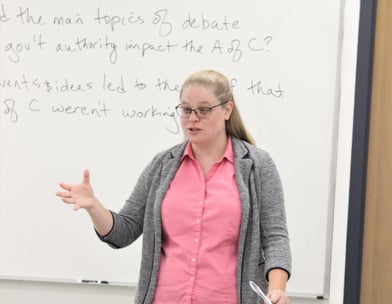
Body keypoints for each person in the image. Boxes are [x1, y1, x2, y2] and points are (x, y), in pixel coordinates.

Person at [56, 69, 291, 304]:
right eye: (186, 110)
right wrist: (93, 206)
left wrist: (277, 290)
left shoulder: (257, 165)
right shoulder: (163, 166)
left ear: (227, 110)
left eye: (204, 110)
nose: (192, 118)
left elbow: (275, 239)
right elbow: (123, 232)